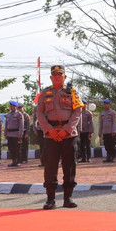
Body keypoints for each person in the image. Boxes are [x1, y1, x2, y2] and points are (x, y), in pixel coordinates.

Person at [36, 65, 83, 209]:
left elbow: (77, 111)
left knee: (69, 166)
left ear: (65, 77)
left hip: (68, 135)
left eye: (60, 75)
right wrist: (49, 130)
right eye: (54, 75)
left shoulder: (72, 92)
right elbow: (39, 113)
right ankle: (50, 199)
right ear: (51, 78)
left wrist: (66, 129)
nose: (57, 77)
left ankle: (68, 198)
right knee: (50, 167)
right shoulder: (45, 93)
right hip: (50, 136)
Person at [5, 101, 24, 167]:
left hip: (16, 134)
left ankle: (17, 161)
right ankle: (13, 161)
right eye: (10, 106)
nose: (11, 107)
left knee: (17, 148)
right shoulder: (8, 115)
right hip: (9, 134)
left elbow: (21, 125)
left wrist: (20, 133)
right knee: (11, 148)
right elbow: (6, 125)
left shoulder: (19, 114)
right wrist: (5, 134)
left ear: (16, 107)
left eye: (13, 106)